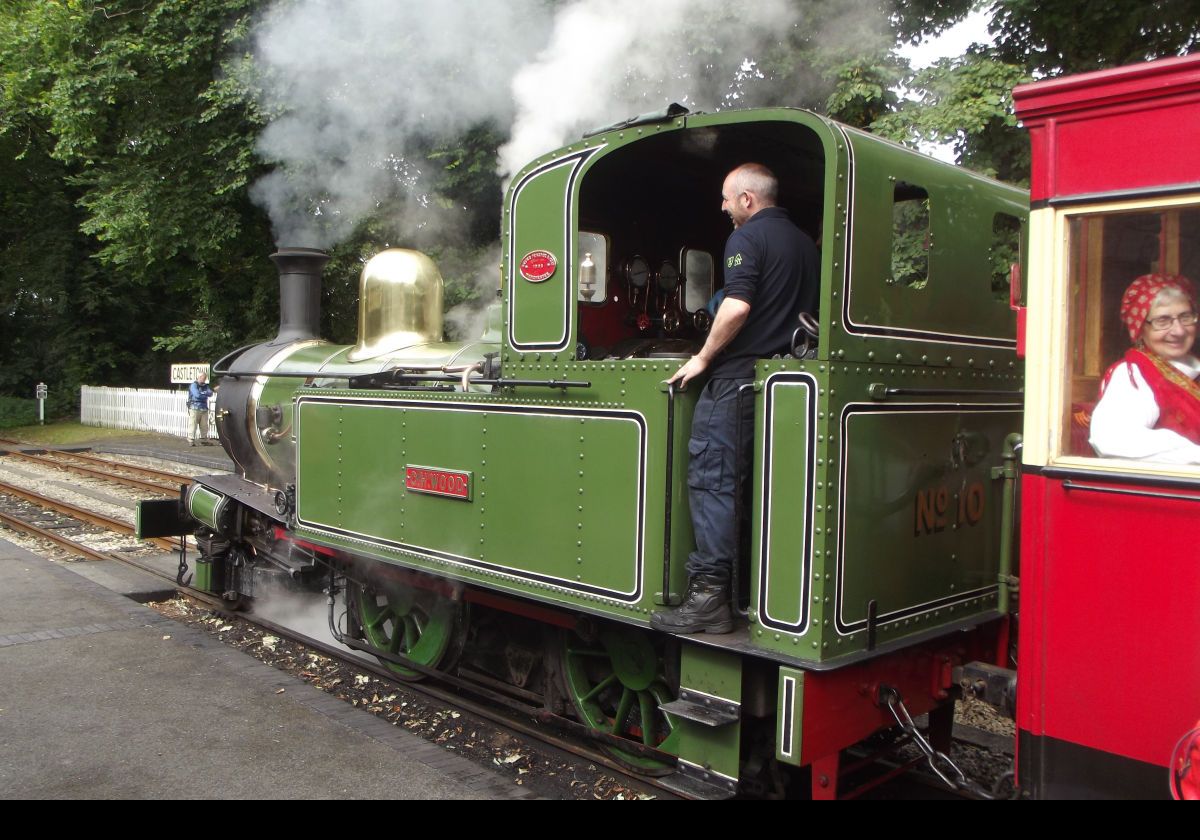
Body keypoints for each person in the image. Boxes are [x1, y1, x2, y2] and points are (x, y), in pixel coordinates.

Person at [650, 163, 820, 634]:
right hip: (781, 382)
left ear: (747, 199)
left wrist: (704, 357)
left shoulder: (745, 240)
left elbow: (738, 304)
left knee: (712, 481)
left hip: (737, 379)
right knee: (752, 489)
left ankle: (708, 598)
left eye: (726, 199)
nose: (722, 208)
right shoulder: (805, 244)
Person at [1089, 273, 1200, 463]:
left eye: (1185, 317)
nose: (1179, 330)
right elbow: (1113, 438)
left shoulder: (1192, 369)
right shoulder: (1132, 375)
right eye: (1162, 321)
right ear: (1140, 330)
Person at [187, 372, 215, 447]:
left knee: (204, 425)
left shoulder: (205, 386)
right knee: (193, 424)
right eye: (203, 377)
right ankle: (191, 440)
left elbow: (210, 393)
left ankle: (204, 440)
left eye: (205, 378)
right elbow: (197, 395)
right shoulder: (193, 385)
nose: (204, 379)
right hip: (194, 407)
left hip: (204, 408)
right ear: (199, 377)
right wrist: (205, 394)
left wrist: (202, 393)